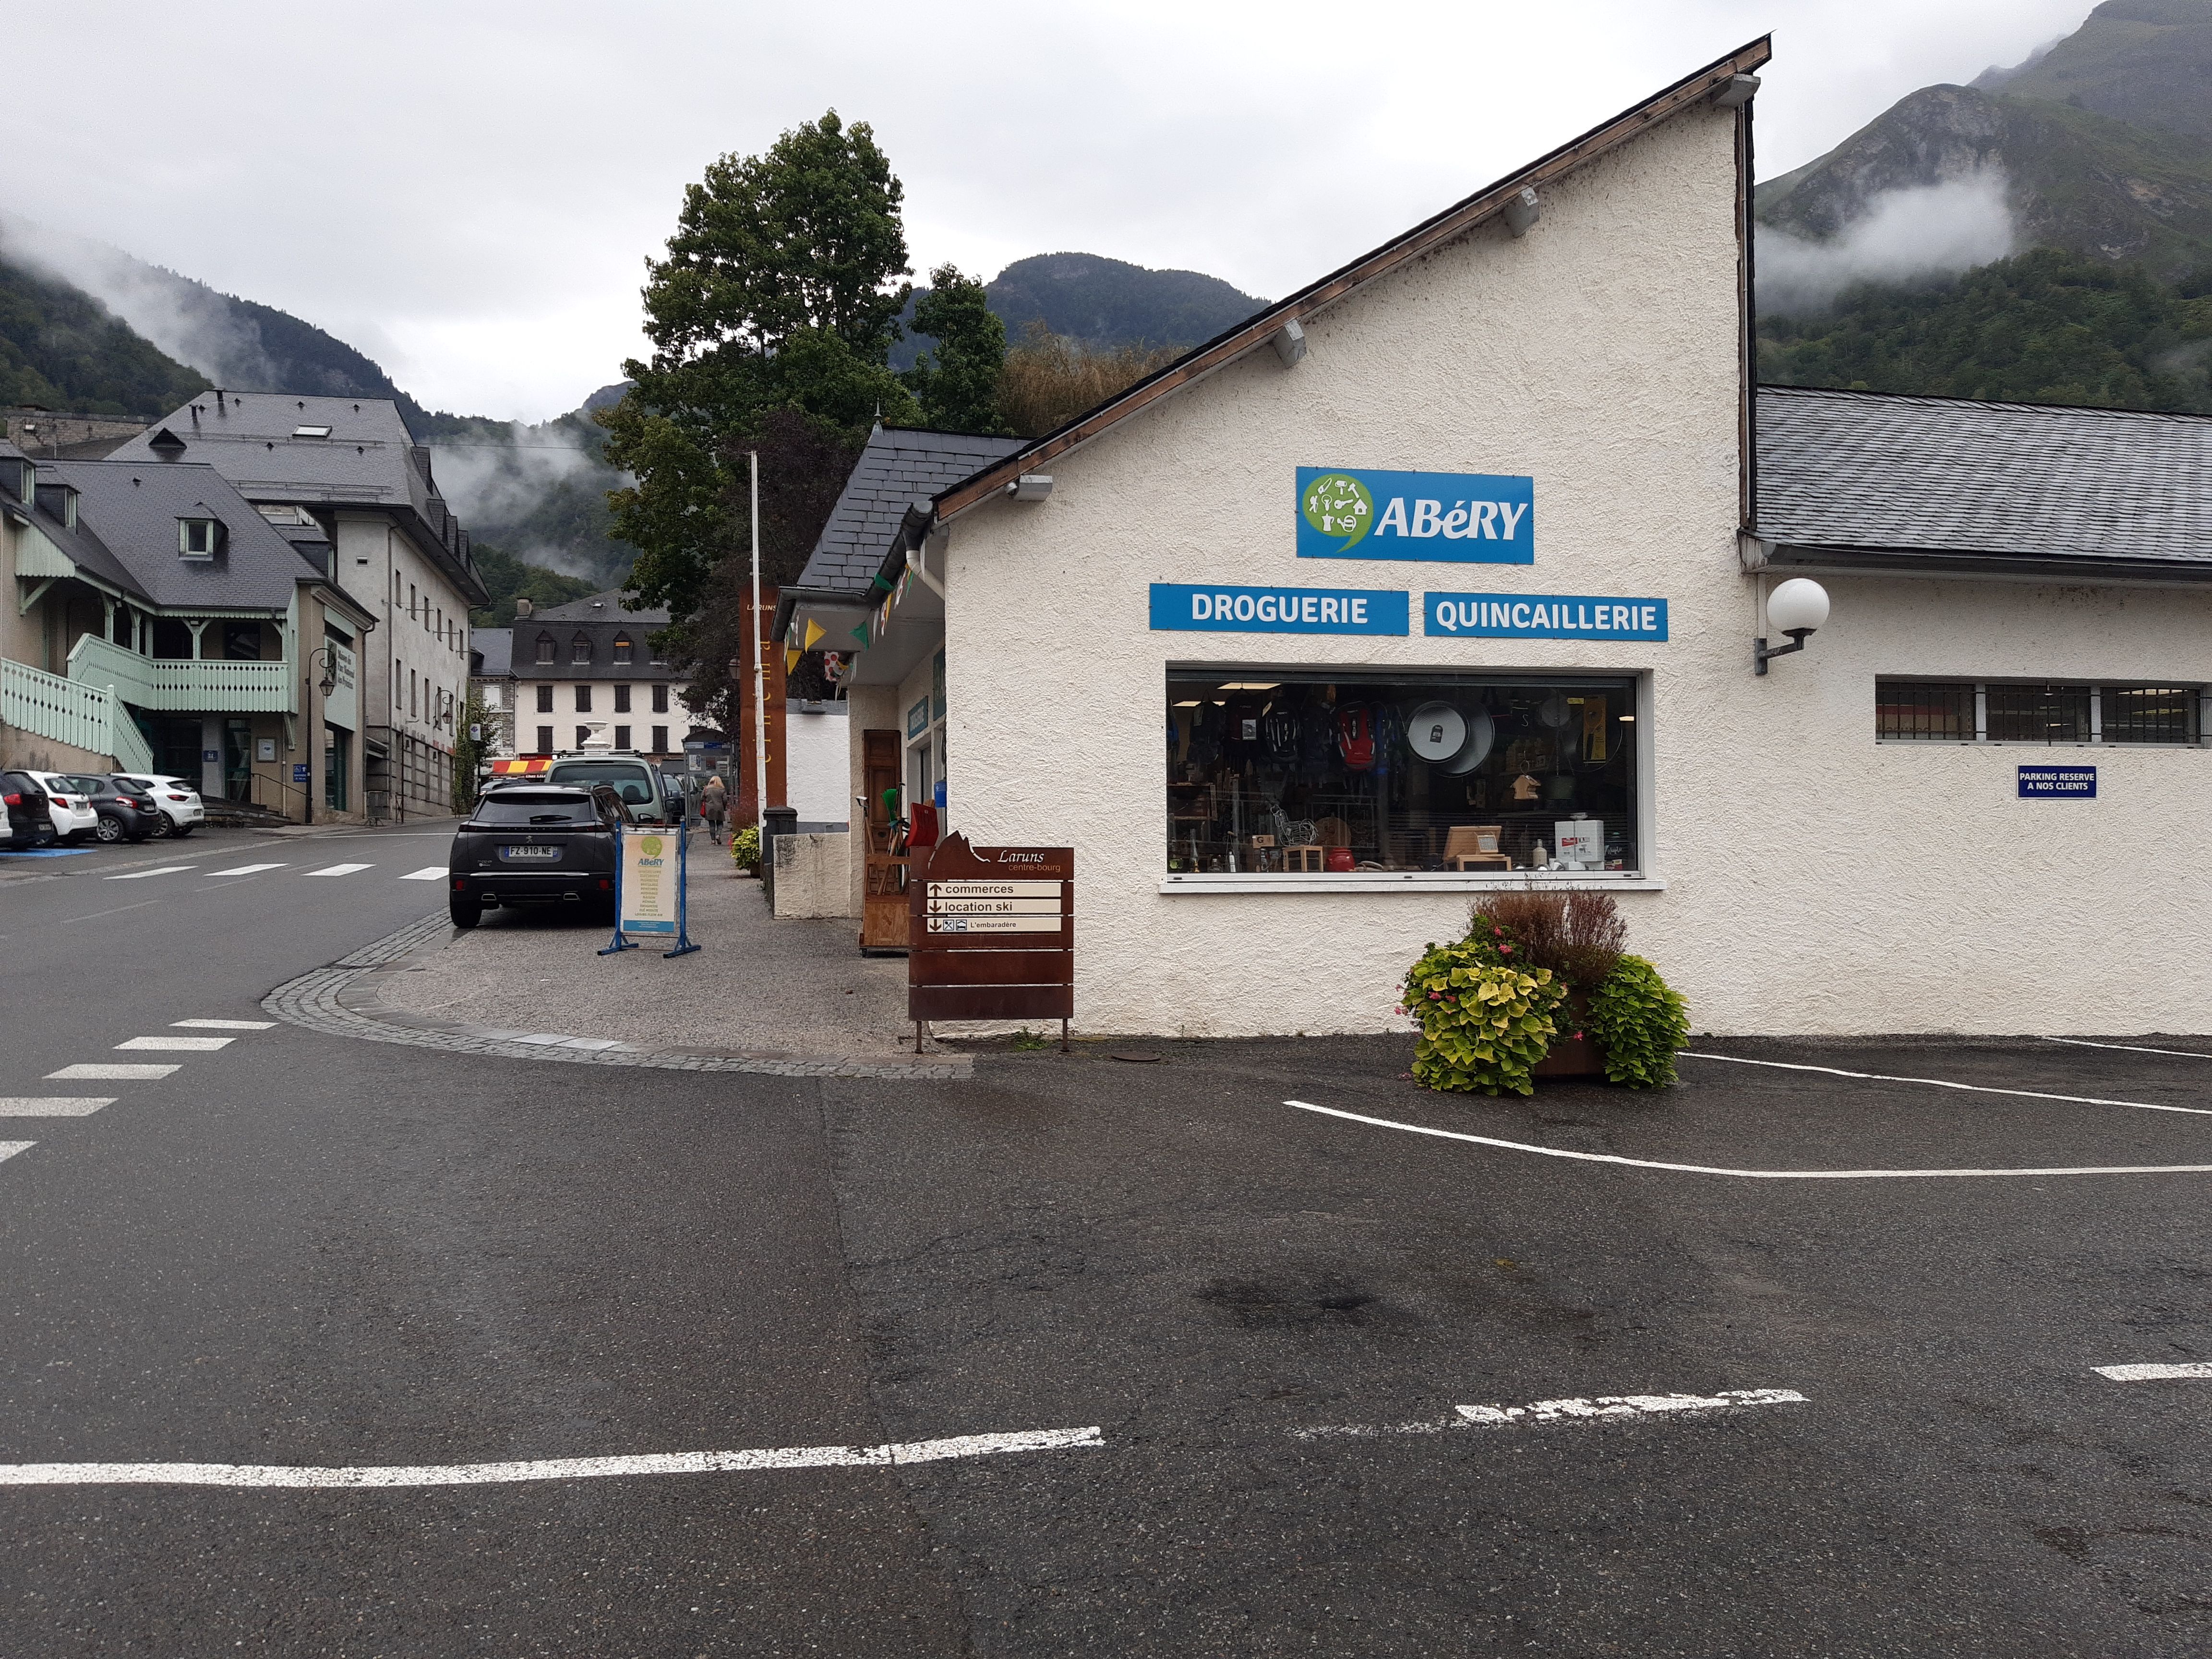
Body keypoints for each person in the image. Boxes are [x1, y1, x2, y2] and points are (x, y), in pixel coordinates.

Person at [698, 773, 728, 843]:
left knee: (711, 824)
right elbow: (725, 800)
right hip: (719, 807)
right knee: (720, 823)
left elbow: (702, 798)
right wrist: (724, 807)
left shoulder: (706, 789)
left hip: (709, 808)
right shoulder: (722, 789)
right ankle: (718, 835)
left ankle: (713, 840)